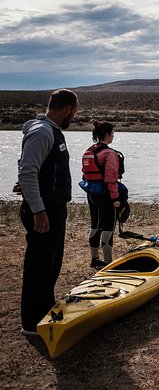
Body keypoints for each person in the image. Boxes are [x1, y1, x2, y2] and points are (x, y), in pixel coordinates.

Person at [14, 89, 79, 336]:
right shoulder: (42, 131)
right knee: (38, 266)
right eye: (74, 112)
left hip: (51, 207)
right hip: (44, 210)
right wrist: (38, 209)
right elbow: (28, 169)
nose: (73, 117)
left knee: (51, 264)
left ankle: (44, 311)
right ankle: (32, 323)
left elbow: (31, 169)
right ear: (67, 110)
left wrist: (31, 187)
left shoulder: (51, 131)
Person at [81, 121, 126, 268]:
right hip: (106, 195)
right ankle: (108, 262)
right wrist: (116, 199)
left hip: (92, 194)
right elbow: (111, 179)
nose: (113, 136)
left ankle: (94, 259)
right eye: (113, 133)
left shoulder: (89, 151)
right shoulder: (109, 153)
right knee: (108, 227)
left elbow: (85, 175)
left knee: (95, 225)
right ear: (107, 135)